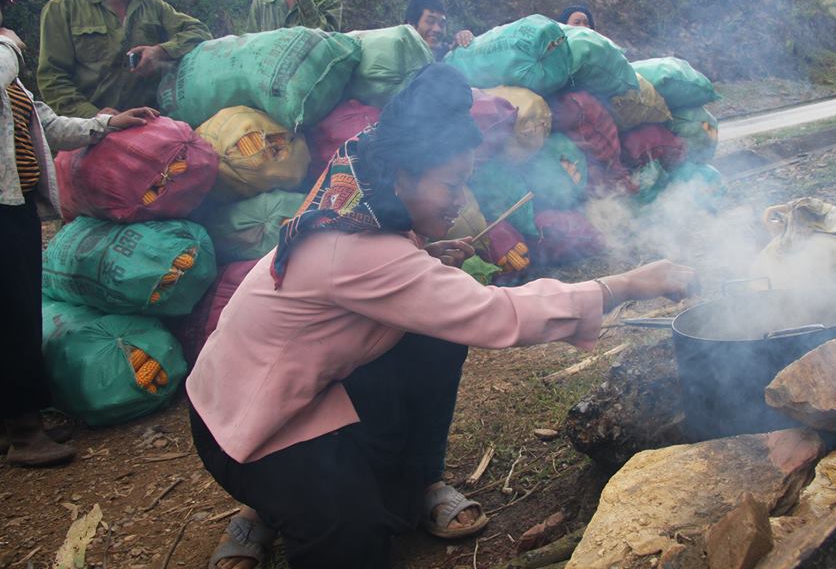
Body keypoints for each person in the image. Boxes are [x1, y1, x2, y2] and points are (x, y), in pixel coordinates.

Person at [187, 63, 699, 569]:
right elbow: (496, 312)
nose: (461, 202)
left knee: (432, 337)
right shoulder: (358, 249)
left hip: (291, 384)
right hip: (243, 422)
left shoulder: (357, 188)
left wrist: (424, 259)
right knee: (353, 536)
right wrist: (626, 284)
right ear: (404, 175)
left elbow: (373, 282)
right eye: (452, 185)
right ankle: (268, 502)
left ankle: (414, 481)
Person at [1, 0, 159, 466]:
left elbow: (48, 123)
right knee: (10, 313)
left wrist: (107, 125)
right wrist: (6, 43)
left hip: (15, 204)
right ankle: (25, 433)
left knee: (19, 308)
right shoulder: (4, 55)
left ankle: (16, 418)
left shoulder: (10, 72)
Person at [37, 0, 212, 118]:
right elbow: (52, 79)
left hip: (148, 125)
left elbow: (199, 31)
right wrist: (95, 116)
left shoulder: (154, 7)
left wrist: (160, 51)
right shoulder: (63, 9)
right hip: (88, 131)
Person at [404, 0, 475, 59]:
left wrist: (463, 38)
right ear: (411, 25)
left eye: (442, 24)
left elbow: (451, 48)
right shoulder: (398, 55)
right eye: (430, 21)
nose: (437, 29)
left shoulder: (444, 55)